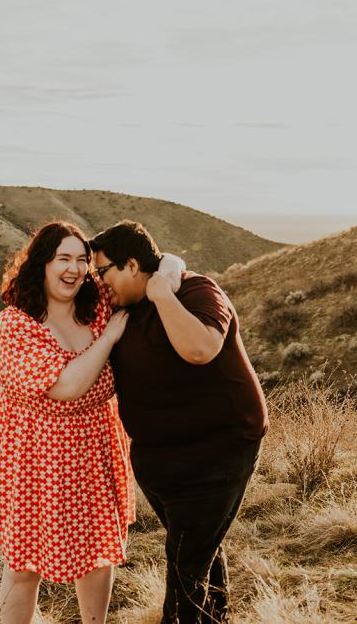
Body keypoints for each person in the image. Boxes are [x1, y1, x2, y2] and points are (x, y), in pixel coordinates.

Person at [0, 220, 182, 624]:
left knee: (97, 551)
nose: (74, 269)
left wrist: (163, 282)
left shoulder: (98, 302)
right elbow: (66, 386)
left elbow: (167, 261)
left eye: (82, 260)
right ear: (41, 264)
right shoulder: (16, 324)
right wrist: (109, 339)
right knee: (24, 560)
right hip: (32, 454)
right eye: (63, 258)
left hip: (93, 445)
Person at [90, 221, 269, 624]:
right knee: (197, 548)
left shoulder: (197, 291)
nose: (100, 283)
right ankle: (216, 617)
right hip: (159, 461)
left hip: (219, 451)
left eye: (103, 272)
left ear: (131, 264)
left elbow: (200, 349)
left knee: (185, 561)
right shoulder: (118, 308)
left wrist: (162, 295)